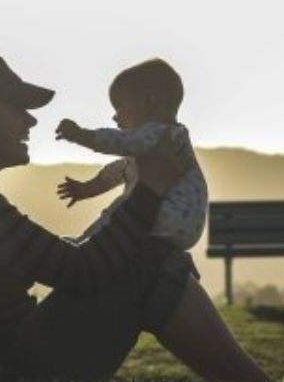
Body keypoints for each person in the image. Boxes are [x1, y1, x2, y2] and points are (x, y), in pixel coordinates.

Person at [0, 52, 269, 382]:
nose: (29, 121)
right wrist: (150, 188)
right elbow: (82, 271)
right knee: (152, 261)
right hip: (1, 374)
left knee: (149, 258)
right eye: (16, 108)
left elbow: (62, 262)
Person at [55, 58, 207, 253]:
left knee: (118, 213)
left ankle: (86, 246)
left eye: (119, 107)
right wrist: (87, 189)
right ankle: (85, 244)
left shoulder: (161, 133)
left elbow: (121, 143)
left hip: (166, 215)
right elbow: (121, 170)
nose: (115, 117)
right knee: (122, 210)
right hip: (182, 226)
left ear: (148, 102)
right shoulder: (166, 141)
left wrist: (81, 135)